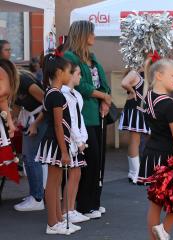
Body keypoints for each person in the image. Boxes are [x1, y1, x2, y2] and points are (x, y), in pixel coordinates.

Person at [63, 20, 111, 219]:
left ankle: (94, 202)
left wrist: (106, 99)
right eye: (91, 33)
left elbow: (104, 83)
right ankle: (83, 205)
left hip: (98, 115)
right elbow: (78, 85)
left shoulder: (92, 57)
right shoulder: (69, 57)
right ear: (83, 34)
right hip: (83, 117)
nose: (94, 36)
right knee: (88, 162)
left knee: (99, 161)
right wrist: (102, 96)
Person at [136, 58, 173, 240]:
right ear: (159, 75)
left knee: (156, 204)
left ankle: (157, 235)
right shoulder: (169, 104)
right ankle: (164, 230)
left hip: (151, 154)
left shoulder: (148, 97)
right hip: (167, 158)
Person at [34, 54, 79, 235]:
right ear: (60, 73)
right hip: (56, 143)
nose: (70, 75)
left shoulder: (52, 93)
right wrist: (64, 151)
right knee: (52, 183)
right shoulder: (56, 96)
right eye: (69, 72)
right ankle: (52, 223)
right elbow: (58, 125)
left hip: (56, 142)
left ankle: (59, 219)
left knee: (57, 181)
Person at [12, 70, 46, 211]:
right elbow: (17, 105)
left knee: (32, 158)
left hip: (41, 119)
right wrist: (13, 120)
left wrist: (35, 124)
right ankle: (35, 195)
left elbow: (47, 103)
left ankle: (37, 198)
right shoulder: (12, 83)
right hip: (31, 118)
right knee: (28, 158)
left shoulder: (25, 81)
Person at [60, 64, 90, 223]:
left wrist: (83, 138)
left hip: (78, 140)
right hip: (70, 141)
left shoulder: (77, 94)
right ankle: (66, 210)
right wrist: (78, 141)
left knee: (77, 174)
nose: (80, 77)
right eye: (78, 73)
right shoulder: (64, 94)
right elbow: (70, 121)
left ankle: (71, 208)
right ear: (70, 75)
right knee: (72, 174)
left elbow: (80, 119)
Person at [119, 67, 150, 184]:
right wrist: (132, 91)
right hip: (134, 110)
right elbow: (124, 83)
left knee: (136, 141)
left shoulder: (144, 75)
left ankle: (134, 172)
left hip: (140, 110)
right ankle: (135, 173)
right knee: (134, 141)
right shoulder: (134, 73)